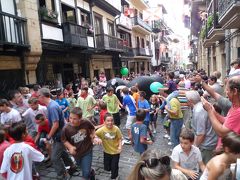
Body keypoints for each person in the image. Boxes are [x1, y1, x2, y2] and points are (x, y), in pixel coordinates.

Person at [38, 88, 75, 179]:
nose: (37, 98)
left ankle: (63, 174)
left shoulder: (52, 106)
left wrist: (48, 136)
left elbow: (55, 124)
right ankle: (72, 166)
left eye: (38, 96)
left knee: (54, 157)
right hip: (60, 134)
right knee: (61, 152)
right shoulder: (51, 105)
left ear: (42, 97)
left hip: (60, 135)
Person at [201, 76, 240, 149]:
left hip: (233, 154)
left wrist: (209, 111)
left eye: (227, 89)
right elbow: (228, 121)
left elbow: (222, 132)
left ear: (235, 91)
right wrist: (213, 111)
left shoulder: (238, 111)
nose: (225, 92)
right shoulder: (235, 105)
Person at [61, 107, 101, 180]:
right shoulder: (66, 128)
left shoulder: (85, 122)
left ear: (80, 118)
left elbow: (92, 129)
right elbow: (64, 140)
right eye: (70, 118)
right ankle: (91, 171)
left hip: (87, 150)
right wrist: (70, 147)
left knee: (85, 173)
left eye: (74, 119)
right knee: (82, 167)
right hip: (76, 153)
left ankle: (87, 174)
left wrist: (94, 137)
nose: (72, 121)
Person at [185, 90, 217, 164]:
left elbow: (201, 134)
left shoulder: (199, 111)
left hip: (206, 145)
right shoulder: (199, 107)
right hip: (207, 143)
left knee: (205, 168)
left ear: (190, 101)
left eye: (186, 99)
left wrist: (194, 148)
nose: (185, 101)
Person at [95, 113, 123, 180]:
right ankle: (113, 172)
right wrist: (96, 138)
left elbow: (120, 138)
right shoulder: (101, 130)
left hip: (115, 152)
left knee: (114, 166)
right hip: (106, 152)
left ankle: (114, 176)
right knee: (107, 168)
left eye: (112, 120)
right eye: (108, 121)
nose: (110, 122)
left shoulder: (116, 129)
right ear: (104, 122)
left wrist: (120, 146)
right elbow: (94, 134)